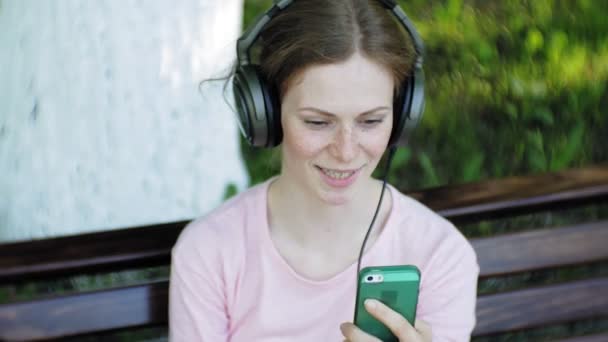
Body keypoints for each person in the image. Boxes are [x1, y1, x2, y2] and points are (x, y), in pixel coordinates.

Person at [169, 0, 479, 341]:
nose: (345, 151)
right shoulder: (210, 252)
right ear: (266, 113)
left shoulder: (439, 255)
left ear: (402, 115)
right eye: (317, 122)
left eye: (371, 121)